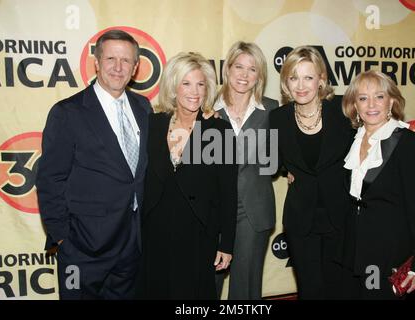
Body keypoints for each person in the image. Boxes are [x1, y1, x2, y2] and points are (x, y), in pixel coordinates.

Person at [36, 29, 152, 299]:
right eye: (111, 58)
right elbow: (50, 179)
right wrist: (64, 239)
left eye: (126, 61)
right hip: (82, 249)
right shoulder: (68, 112)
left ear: (135, 68)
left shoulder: (143, 107)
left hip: (132, 246)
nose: (118, 67)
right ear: (97, 62)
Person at [136, 52, 238, 299]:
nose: (195, 91)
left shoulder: (219, 129)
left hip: (198, 234)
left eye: (201, 84)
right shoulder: (154, 124)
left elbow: (228, 191)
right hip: (156, 232)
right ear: (173, 86)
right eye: (187, 83)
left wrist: (227, 244)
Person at [339, 70, 415, 299]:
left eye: (379, 96)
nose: (371, 104)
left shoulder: (406, 142)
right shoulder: (351, 139)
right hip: (354, 252)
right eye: (363, 98)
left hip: (387, 256)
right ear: (355, 105)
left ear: (392, 101)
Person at [269, 46, 354, 299]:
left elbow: (377, 126)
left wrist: (410, 139)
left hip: (340, 216)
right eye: (293, 77)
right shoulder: (278, 118)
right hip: (300, 220)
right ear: (286, 82)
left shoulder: (342, 109)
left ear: (322, 80)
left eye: (308, 77)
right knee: (309, 290)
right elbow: (270, 161)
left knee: (339, 290)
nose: (301, 85)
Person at [213, 41, 278, 300]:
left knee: (246, 289)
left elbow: (291, 149)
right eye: (238, 66)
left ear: (259, 76)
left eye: (252, 69)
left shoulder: (273, 109)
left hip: (253, 210)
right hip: (212, 210)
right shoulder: (206, 107)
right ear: (227, 69)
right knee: (206, 284)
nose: (244, 74)